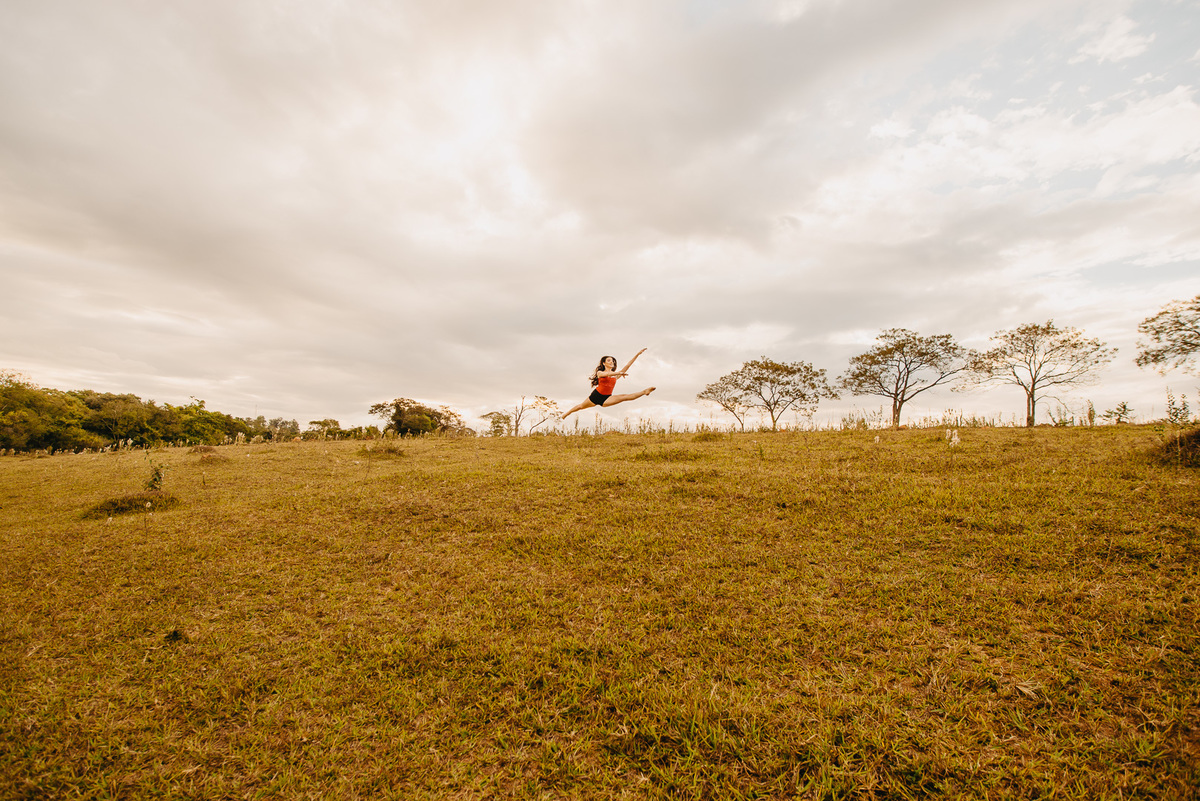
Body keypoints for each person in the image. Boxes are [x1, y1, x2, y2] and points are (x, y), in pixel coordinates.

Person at [561, 348, 656, 419]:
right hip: (595, 396)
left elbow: (628, 365)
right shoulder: (600, 373)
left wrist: (637, 355)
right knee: (580, 406)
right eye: (609, 360)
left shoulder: (615, 376)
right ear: (603, 363)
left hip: (607, 398)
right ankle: (566, 414)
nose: (612, 362)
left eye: (612, 360)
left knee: (624, 397)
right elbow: (607, 373)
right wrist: (618, 373)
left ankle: (644, 391)